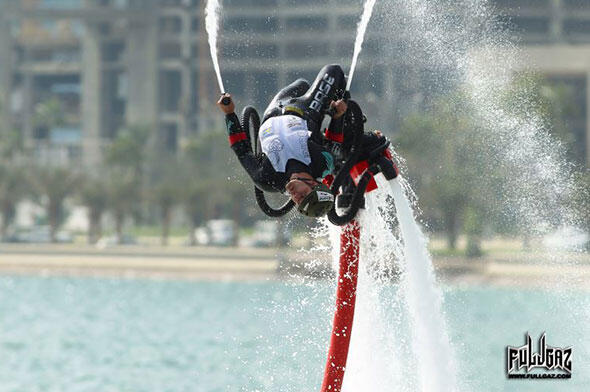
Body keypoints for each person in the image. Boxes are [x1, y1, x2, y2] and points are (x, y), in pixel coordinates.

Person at [217, 64, 393, 217]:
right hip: (307, 109)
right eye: (303, 195)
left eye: (297, 201)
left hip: (275, 108)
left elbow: (242, 150)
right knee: (333, 72)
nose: (295, 196)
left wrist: (229, 114)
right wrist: (338, 116)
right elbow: (333, 145)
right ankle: (344, 113)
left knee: (302, 84)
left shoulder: (268, 180)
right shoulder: (321, 165)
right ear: (315, 184)